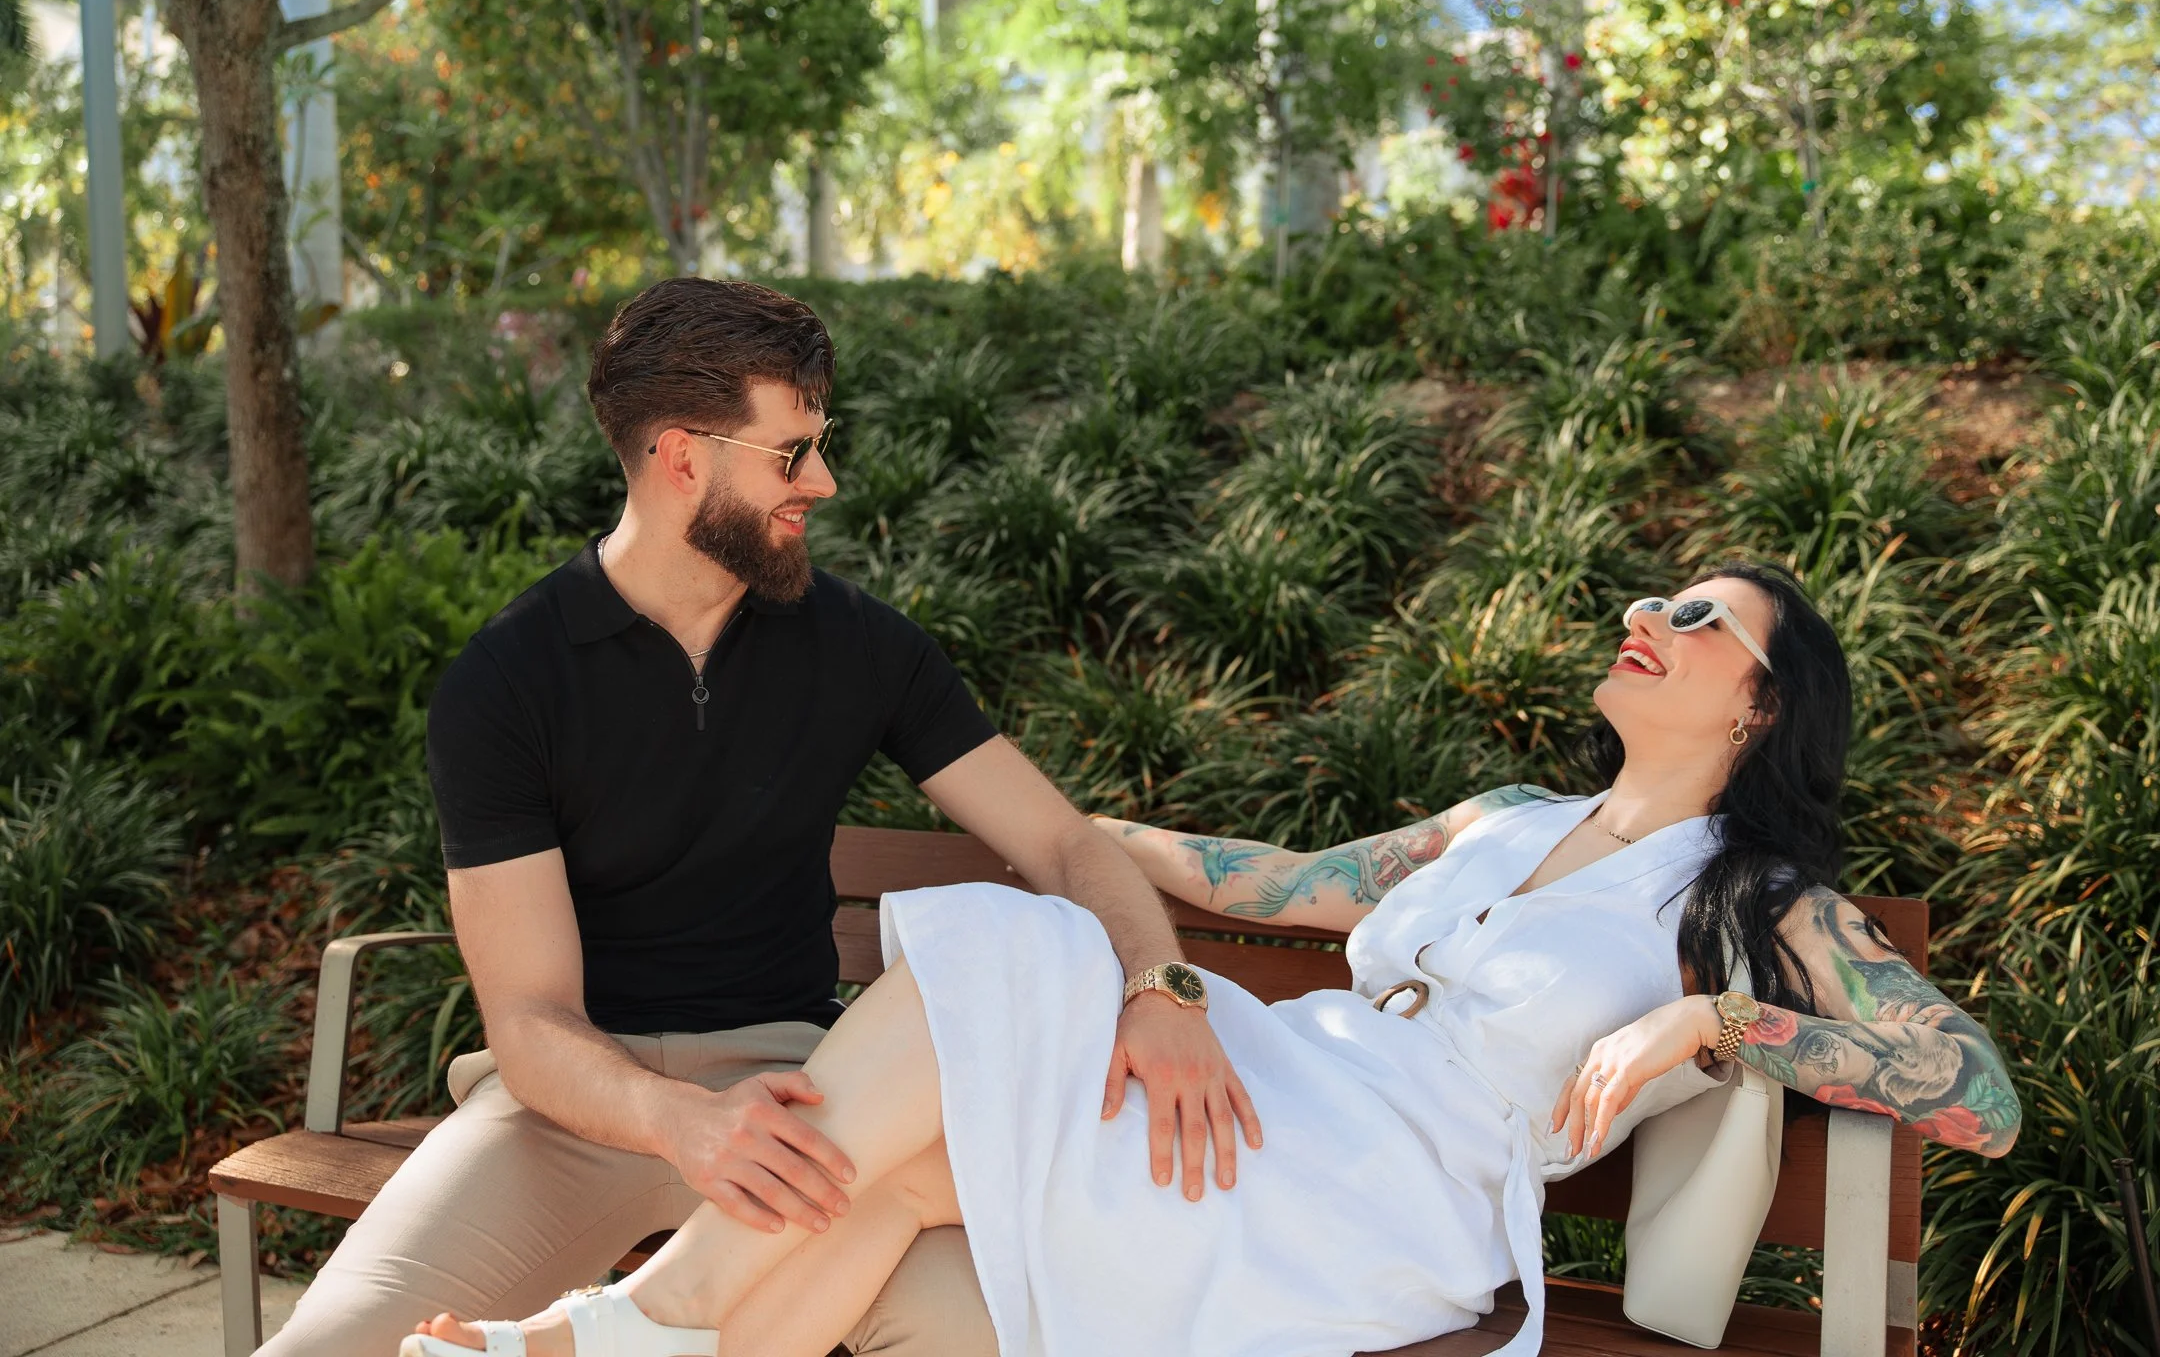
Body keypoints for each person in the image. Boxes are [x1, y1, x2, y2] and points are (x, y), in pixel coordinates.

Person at [401, 565, 2023, 1357]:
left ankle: (607, 1333)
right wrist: (1057, 831)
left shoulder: (1760, 903)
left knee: (1000, 1000)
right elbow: (1282, 884)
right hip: (1277, 1085)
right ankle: (635, 1346)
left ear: (1762, 706)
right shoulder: (1502, 820)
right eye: (1657, 596)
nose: (1649, 614)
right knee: (898, 1179)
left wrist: (1718, 1023)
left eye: (1701, 618)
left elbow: (1978, 1093)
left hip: (1389, 1190)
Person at [263, 278, 1256, 1357]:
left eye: (820, 444)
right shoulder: (507, 684)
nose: (822, 481)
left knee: (975, 1336)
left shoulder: (859, 645)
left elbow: (1063, 842)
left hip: (803, 1099)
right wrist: (677, 1121)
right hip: (573, 1111)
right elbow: (532, 1021)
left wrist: (1162, 988)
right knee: (331, 1351)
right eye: (791, 454)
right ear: (682, 457)